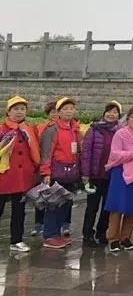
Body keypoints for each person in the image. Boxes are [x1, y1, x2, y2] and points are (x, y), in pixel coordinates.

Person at [103, 106, 133, 252]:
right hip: (121, 172)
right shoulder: (120, 134)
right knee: (117, 206)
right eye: (132, 117)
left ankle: (125, 237)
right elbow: (115, 154)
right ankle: (113, 239)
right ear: (127, 119)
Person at [39, 97, 82, 249]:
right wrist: (45, 172)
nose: (69, 111)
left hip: (70, 173)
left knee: (65, 205)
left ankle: (57, 234)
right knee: (53, 205)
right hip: (56, 173)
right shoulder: (52, 130)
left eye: (71, 108)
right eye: (65, 109)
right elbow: (46, 153)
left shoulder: (74, 129)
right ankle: (50, 236)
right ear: (58, 112)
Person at [0, 96, 40, 252]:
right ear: (8, 112)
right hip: (4, 175)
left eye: (22, 109)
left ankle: (16, 240)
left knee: (19, 210)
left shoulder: (29, 129)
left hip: (23, 177)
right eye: (15, 109)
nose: (19, 112)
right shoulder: (2, 129)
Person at [80, 101, 121, 247]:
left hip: (112, 176)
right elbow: (86, 153)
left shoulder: (121, 131)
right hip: (95, 175)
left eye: (115, 112)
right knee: (92, 207)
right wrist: (85, 174)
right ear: (104, 113)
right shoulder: (94, 129)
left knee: (107, 207)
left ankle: (101, 232)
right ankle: (87, 234)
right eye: (109, 111)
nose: (111, 114)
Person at [31, 100, 58, 237]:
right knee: (41, 196)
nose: (55, 114)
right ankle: (38, 224)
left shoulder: (68, 128)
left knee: (55, 199)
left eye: (57, 111)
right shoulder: (41, 127)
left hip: (57, 167)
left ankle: (54, 225)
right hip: (42, 165)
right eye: (52, 112)